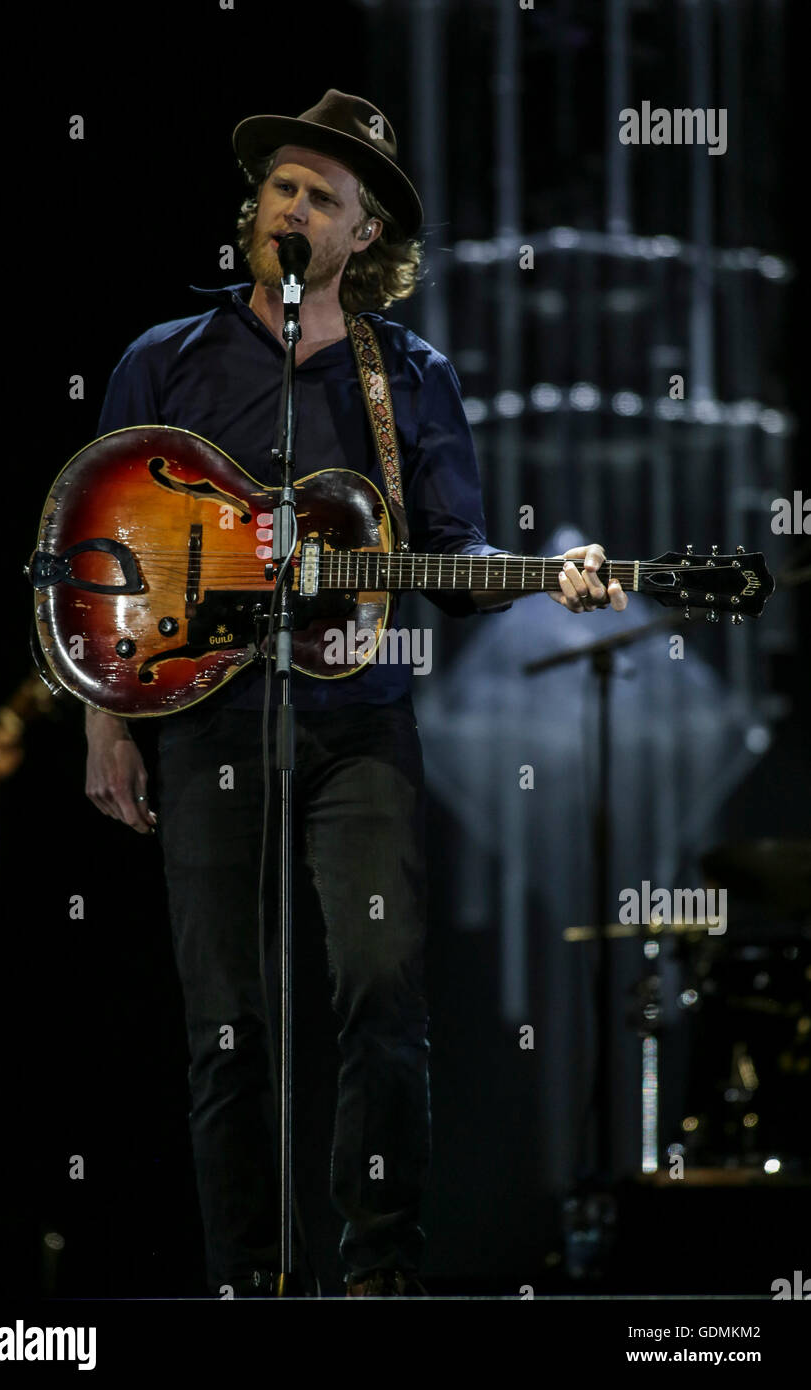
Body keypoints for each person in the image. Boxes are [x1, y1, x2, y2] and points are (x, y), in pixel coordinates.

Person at [84, 89, 628, 1298]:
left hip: (359, 721)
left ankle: (378, 1277)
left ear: (362, 235)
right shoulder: (160, 361)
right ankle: (245, 1280)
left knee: (381, 992)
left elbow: (455, 551)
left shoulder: (409, 377)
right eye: (281, 185)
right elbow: (95, 546)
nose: (291, 206)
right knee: (226, 1022)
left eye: (319, 197)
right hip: (203, 718)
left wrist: (551, 575)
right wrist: (103, 713)